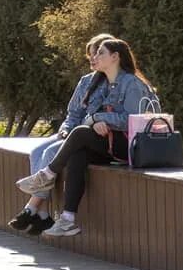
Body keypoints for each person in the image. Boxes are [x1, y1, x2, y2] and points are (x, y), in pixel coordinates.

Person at [15, 38, 159, 238]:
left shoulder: (131, 83)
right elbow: (91, 114)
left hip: (130, 146)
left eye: (101, 53)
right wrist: (97, 121)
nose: (95, 56)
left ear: (115, 57)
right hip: (110, 141)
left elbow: (130, 120)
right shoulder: (107, 83)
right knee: (78, 154)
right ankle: (68, 219)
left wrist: (96, 118)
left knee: (81, 132)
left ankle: (46, 175)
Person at [8, 34, 112, 236]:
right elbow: (73, 113)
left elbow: (99, 117)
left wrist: (74, 131)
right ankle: (44, 214)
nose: (92, 60)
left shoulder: (113, 82)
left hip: (86, 137)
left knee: (49, 154)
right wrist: (65, 130)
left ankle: (31, 208)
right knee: (37, 151)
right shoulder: (85, 82)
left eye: (96, 55)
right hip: (72, 131)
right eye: (89, 55)